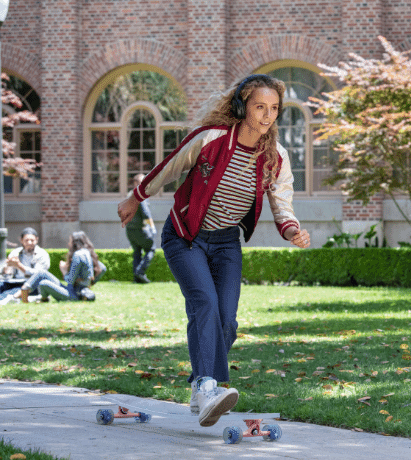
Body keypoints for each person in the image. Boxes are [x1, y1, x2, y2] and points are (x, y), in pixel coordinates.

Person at [117, 74, 311, 428]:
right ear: (242, 107)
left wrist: (293, 230)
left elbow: (282, 203)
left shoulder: (275, 157)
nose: (267, 116)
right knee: (204, 303)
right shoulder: (211, 139)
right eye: (259, 107)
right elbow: (170, 166)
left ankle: (200, 387)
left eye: (274, 109)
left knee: (227, 319)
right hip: (185, 235)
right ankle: (207, 386)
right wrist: (136, 197)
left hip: (225, 243)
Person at [19, 231, 106, 303]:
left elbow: (70, 281)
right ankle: (25, 289)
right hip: (77, 290)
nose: (69, 243)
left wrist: (63, 270)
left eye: (70, 241)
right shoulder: (87, 252)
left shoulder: (78, 255)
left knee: (43, 283)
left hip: (74, 294)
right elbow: (103, 268)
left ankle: (30, 293)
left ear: (75, 242)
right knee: (42, 273)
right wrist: (90, 282)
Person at [0, 227, 50, 305]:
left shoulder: (42, 254)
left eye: (32, 240)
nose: (29, 242)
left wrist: (19, 266)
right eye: (26, 240)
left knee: (10, 292)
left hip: (31, 284)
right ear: (21, 240)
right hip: (15, 281)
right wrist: (7, 270)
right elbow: (6, 274)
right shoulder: (16, 252)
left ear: (37, 240)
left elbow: (38, 274)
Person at [125, 173, 156, 283]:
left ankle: (136, 278)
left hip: (129, 230)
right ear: (136, 183)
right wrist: (152, 228)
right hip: (140, 229)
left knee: (137, 252)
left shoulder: (129, 195)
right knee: (151, 249)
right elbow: (146, 213)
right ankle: (140, 272)